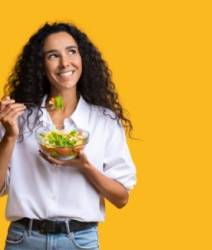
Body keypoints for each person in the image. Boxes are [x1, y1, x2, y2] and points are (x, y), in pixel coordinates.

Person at [0, 22, 137, 250]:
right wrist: (10, 136)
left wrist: (85, 167)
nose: (65, 63)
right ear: (41, 66)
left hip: (79, 241)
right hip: (24, 239)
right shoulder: (19, 118)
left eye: (71, 51)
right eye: (53, 56)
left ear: (82, 58)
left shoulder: (104, 121)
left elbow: (121, 198)